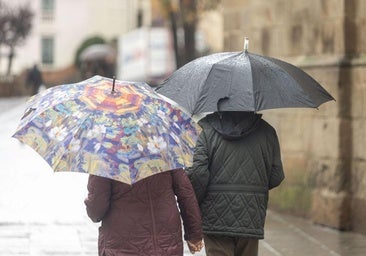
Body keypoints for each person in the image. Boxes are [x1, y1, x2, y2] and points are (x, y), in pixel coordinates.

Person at [186, 111, 285, 256]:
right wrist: (254, 189)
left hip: (215, 214)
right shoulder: (267, 131)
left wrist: (196, 205)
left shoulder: (205, 129)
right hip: (251, 214)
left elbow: (198, 173)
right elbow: (276, 176)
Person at [84, 168, 204, 256]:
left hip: (122, 244)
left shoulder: (106, 155)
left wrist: (90, 204)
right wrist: (194, 234)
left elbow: (96, 211)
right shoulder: (162, 147)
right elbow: (185, 194)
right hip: (165, 241)